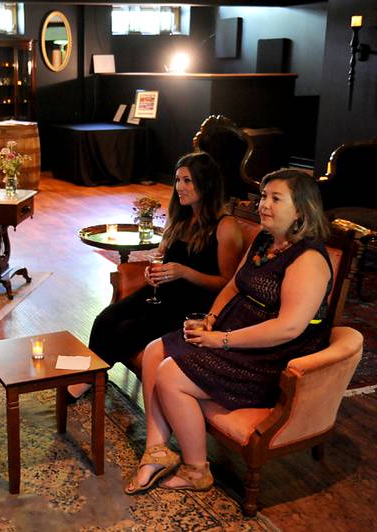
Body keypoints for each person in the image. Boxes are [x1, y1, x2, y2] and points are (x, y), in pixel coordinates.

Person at [126, 169, 332, 494]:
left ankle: (196, 470)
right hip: (235, 333)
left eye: (275, 199)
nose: (263, 204)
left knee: (170, 375)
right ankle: (157, 450)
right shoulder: (265, 241)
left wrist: (220, 340)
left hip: (270, 358)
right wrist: (211, 317)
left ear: (302, 210)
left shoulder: (308, 260)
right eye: (264, 196)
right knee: (154, 350)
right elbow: (235, 284)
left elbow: (288, 328)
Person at [70, 152, 244, 400]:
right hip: (161, 293)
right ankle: (90, 376)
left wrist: (184, 272)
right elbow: (161, 257)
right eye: (177, 180)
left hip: (192, 305)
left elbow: (227, 283)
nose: (179, 187)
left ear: (207, 183)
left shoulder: (225, 226)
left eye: (187, 181)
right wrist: (150, 273)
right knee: (105, 318)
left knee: (126, 330)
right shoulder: (180, 218)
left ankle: (92, 378)